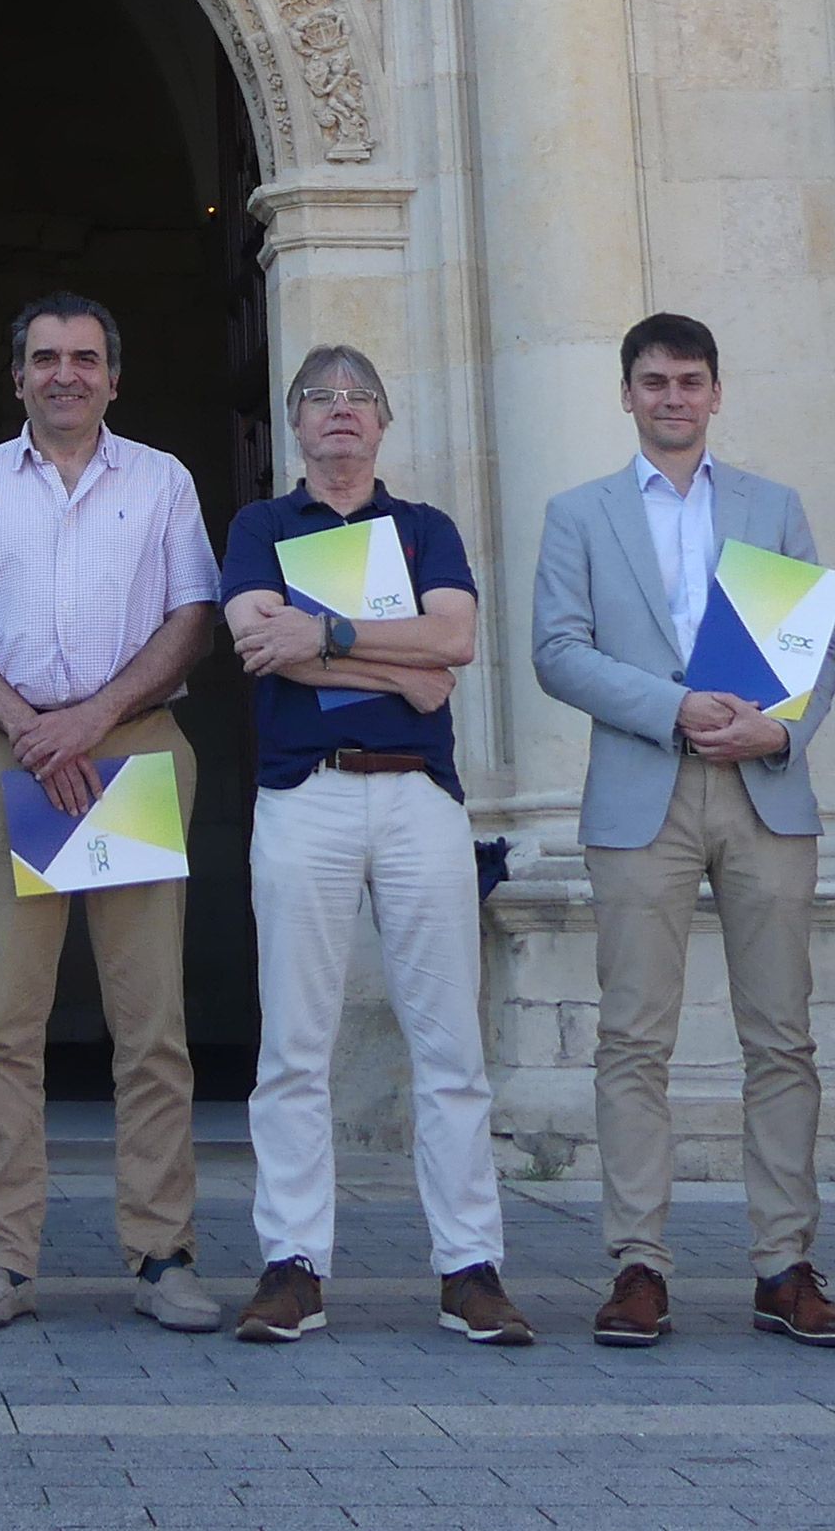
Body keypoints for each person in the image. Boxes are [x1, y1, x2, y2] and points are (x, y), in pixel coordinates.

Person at [531, 312, 835, 1352]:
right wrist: (668, 708)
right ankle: (637, 1265)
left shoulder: (775, 506)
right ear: (624, 395)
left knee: (782, 1036)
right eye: (652, 382)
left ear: (716, 393)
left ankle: (784, 1264)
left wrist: (778, 727)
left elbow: (819, 654)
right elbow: (555, 650)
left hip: (762, 787)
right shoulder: (577, 513)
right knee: (633, 1037)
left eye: (688, 381)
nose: (671, 398)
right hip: (644, 786)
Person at [0, 292, 224, 1333]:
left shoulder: (164, 481)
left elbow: (190, 620)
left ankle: (161, 1251)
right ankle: (4, 1259)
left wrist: (88, 718)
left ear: (113, 378)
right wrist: (23, 721)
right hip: (9, 751)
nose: (65, 374)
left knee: (150, 1023)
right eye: (44, 357)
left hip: (127, 746)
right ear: (17, 377)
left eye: (85, 358)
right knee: (5, 1021)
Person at [217, 346, 534, 1350]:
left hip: (417, 801)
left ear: (384, 424)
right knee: (291, 1048)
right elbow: (255, 636)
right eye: (320, 399)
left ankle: (468, 1267)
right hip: (302, 797)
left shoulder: (425, 529)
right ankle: (293, 1263)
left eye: (360, 398)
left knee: (449, 1045)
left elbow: (457, 641)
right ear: (295, 423)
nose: (340, 414)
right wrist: (398, 663)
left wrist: (330, 638)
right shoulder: (261, 526)